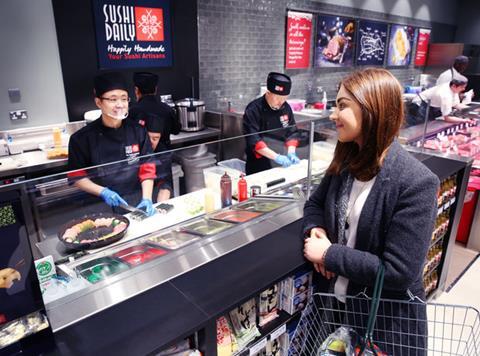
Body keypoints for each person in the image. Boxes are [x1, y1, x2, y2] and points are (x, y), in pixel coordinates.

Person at [302, 68, 439, 355]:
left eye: (342, 106)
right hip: (339, 312)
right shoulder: (347, 160)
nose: (332, 114)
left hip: (384, 327)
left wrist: (328, 254)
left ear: (371, 109)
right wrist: (316, 228)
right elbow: (315, 203)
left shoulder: (417, 182)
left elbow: (399, 271)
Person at [68, 72, 156, 216]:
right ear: (98, 102)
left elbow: (147, 167)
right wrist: (103, 192)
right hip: (100, 205)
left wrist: (147, 198)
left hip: (135, 200)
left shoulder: (138, 130)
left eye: (123, 99)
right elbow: (76, 177)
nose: (120, 105)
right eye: (113, 99)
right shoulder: (81, 138)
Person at [243, 72, 301, 175]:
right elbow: (253, 139)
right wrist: (276, 157)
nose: (281, 102)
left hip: (282, 163)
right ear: (268, 93)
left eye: (284, 99)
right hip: (259, 164)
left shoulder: (285, 107)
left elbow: (292, 132)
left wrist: (291, 151)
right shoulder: (253, 109)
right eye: (277, 98)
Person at [129, 72, 181, 150]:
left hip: (141, 157)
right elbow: (176, 130)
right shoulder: (167, 109)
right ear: (156, 89)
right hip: (164, 155)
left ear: (136, 90)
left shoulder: (132, 111)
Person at [410, 76, 475, 126]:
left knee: (429, 124)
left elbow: (456, 104)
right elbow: (447, 118)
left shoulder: (453, 89)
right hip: (420, 104)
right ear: (454, 86)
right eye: (462, 87)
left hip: (430, 105)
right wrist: (465, 120)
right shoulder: (445, 95)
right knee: (420, 126)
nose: (464, 89)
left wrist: (473, 110)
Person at [145, 115, 174, 202]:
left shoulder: (162, 153)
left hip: (155, 196)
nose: (151, 142)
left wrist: (165, 190)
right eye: (148, 137)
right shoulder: (133, 151)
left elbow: (166, 180)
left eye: (155, 139)